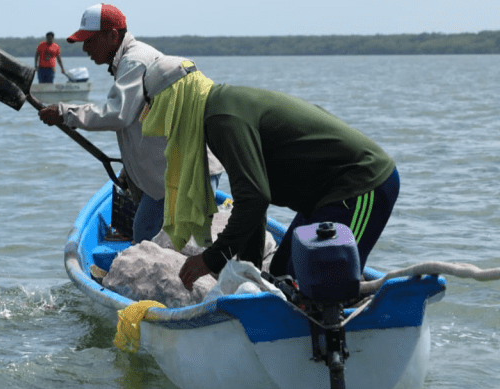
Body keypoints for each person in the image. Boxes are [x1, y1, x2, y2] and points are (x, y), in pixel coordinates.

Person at [138, 69, 399, 291]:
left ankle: (342, 338)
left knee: (319, 287)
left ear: (172, 100)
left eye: (154, 107)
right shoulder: (215, 109)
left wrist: (210, 260)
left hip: (362, 185)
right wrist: (250, 272)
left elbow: (253, 199)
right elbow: (253, 197)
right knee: (280, 273)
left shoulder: (222, 119)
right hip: (323, 199)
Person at [37, 3, 223, 243]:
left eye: (90, 40)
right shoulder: (128, 61)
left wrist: (65, 113)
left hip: (189, 171)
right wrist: (130, 170)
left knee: (175, 246)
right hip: (169, 173)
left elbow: (117, 114)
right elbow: (141, 122)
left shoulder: (135, 61)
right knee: (144, 235)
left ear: (112, 36)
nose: (85, 48)